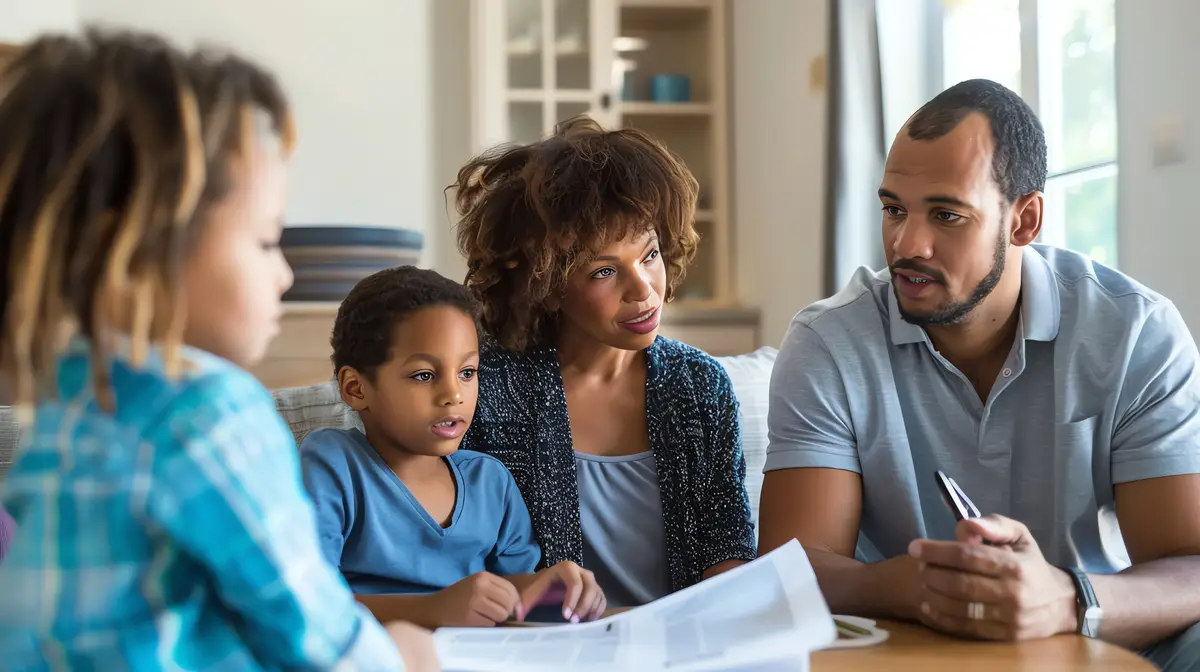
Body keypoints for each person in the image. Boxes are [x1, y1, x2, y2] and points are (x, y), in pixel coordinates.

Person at [0, 31, 437, 671]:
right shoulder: (207, 409)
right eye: (265, 241)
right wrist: (400, 655)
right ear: (138, 251)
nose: (285, 275)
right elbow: (307, 622)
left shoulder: (64, 405)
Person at [758, 78, 1200, 670]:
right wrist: (922, 584)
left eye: (946, 215)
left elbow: (1189, 567)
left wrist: (1068, 601)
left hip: (1094, 638)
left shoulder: (1135, 333)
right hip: (903, 648)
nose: (906, 243)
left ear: (1024, 221)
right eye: (894, 209)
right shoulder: (828, 342)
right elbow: (792, 568)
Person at [451, 116, 757, 608]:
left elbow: (726, 547)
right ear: (545, 286)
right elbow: (463, 555)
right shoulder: (488, 387)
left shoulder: (698, 384)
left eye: (650, 254)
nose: (643, 290)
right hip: (544, 648)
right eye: (605, 271)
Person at [300, 266, 607, 628]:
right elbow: (306, 597)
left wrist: (549, 587)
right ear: (355, 388)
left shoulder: (489, 480)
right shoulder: (334, 466)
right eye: (424, 376)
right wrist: (431, 610)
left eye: (467, 372)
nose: (453, 395)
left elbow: (510, 589)